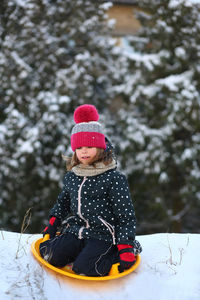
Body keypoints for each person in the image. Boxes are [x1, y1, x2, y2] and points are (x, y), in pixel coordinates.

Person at [39, 104, 142, 277]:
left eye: (89, 146)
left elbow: (125, 216)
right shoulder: (73, 175)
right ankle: (78, 252)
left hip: (104, 236)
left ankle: (119, 251)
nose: (84, 151)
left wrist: (125, 246)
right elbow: (63, 202)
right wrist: (53, 222)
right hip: (76, 230)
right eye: (79, 147)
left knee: (86, 269)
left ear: (101, 148)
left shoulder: (114, 179)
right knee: (49, 255)